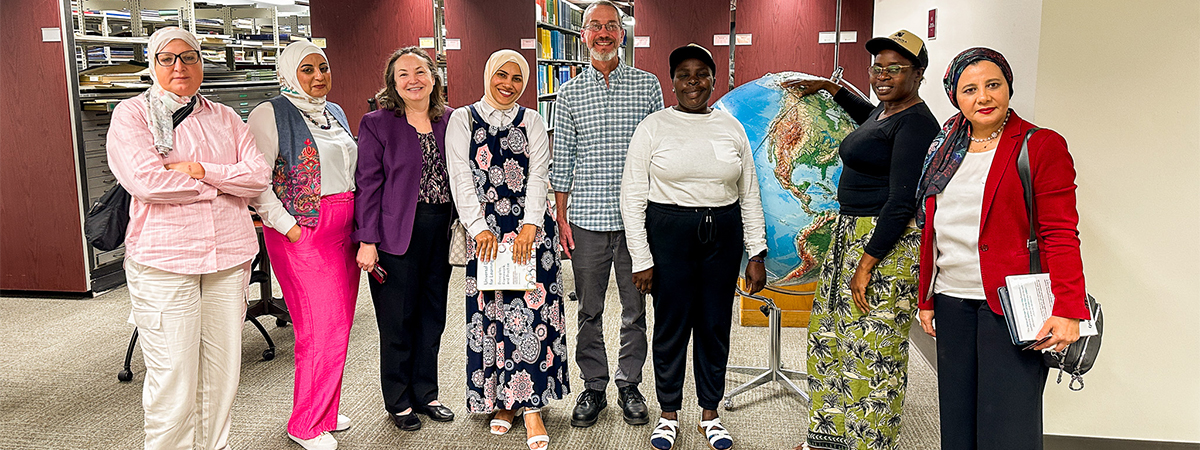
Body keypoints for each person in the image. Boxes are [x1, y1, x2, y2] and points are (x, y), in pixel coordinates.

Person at [914, 47, 1089, 450]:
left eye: (993, 85)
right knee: (956, 424)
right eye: (969, 89)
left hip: (1013, 306)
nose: (983, 97)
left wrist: (1067, 308)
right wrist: (927, 297)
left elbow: (1060, 233)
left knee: (1007, 428)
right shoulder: (944, 145)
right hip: (952, 299)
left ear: (1009, 86)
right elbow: (935, 229)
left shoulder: (1040, 145)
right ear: (955, 96)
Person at [106, 27, 271, 449]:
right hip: (165, 261)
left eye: (190, 57)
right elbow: (148, 183)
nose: (180, 66)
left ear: (201, 62)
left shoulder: (225, 117)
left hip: (228, 258)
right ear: (153, 63)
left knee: (223, 373)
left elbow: (256, 177)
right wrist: (223, 183)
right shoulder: (133, 114)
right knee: (174, 376)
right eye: (167, 58)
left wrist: (198, 171)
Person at [783, 30, 940, 450]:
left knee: (873, 350)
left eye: (896, 68)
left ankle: (868, 443)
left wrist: (868, 263)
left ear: (918, 74)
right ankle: (828, 439)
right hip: (849, 234)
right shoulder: (887, 112)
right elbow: (868, 115)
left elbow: (903, 200)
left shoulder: (917, 124)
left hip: (882, 242)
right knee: (830, 337)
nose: (883, 75)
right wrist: (833, 89)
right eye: (877, 67)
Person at [620, 43, 767, 450]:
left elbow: (749, 193)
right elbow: (631, 196)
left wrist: (756, 252)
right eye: (684, 74)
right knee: (670, 327)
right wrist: (642, 257)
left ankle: (710, 414)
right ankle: (668, 414)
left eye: (701, 74)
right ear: (673, 82)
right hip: (668, 234)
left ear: (715, 79)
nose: (693, 82)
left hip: (722, 233)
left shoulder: (731, 127)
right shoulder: (653, 126)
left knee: (714, 326)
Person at [446, 49, 568, 450]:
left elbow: (539, 174)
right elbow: (460, 175)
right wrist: (478, 227)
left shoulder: (532, 119)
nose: (508, 84)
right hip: (484, 232)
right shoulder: (462, 119)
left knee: (532, 314)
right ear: (487, 75)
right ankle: (504, 401)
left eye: (517, 78)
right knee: (494, 313)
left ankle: (531, 405)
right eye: (502, 74)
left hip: (531, 229)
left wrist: (532, 223)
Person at [549, 0, 663, 428]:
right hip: (587, 220)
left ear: (622, 33)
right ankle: (593, 385)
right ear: (583, 35)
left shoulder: (648, 85)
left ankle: (629, 384)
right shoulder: (568, 93)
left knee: (635, 309)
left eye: (610, 26)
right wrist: (561, 217)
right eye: (594, 26)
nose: (603, 33)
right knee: (589, 309)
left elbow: (659, 155)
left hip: (638, 221)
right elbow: (563, 159)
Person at [247, 40, 358, 450]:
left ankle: (324, 410)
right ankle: (305, 423)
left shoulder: (335, 112)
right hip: (303, 233)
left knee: (340, 326)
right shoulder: (269, 113)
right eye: (307, 69)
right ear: (290, 72)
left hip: (344, 231)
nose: (317, 76)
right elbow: (257, 181)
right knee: (319, 328)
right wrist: (288, 227)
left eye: (323, 68)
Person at [353, 46, 457, 433]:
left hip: (441, 231)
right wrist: (367, 239)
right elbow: (367, 183)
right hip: (395, 234)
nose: (413, 80)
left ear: (434, 77)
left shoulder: (452, 120)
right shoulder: (377, 123)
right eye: (403, 74)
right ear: (393, 84)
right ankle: (398, 400)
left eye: (420, 72)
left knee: (433, 316)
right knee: (398, 320)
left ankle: (426, 393)